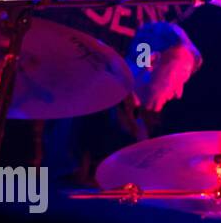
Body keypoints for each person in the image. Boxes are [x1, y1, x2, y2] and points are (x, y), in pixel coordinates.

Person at [45, 21, 202, 188]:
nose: (179, 93)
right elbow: (67, 184)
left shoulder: (139, 115)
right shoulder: (93, 100)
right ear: (151, 60)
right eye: (179, 77)